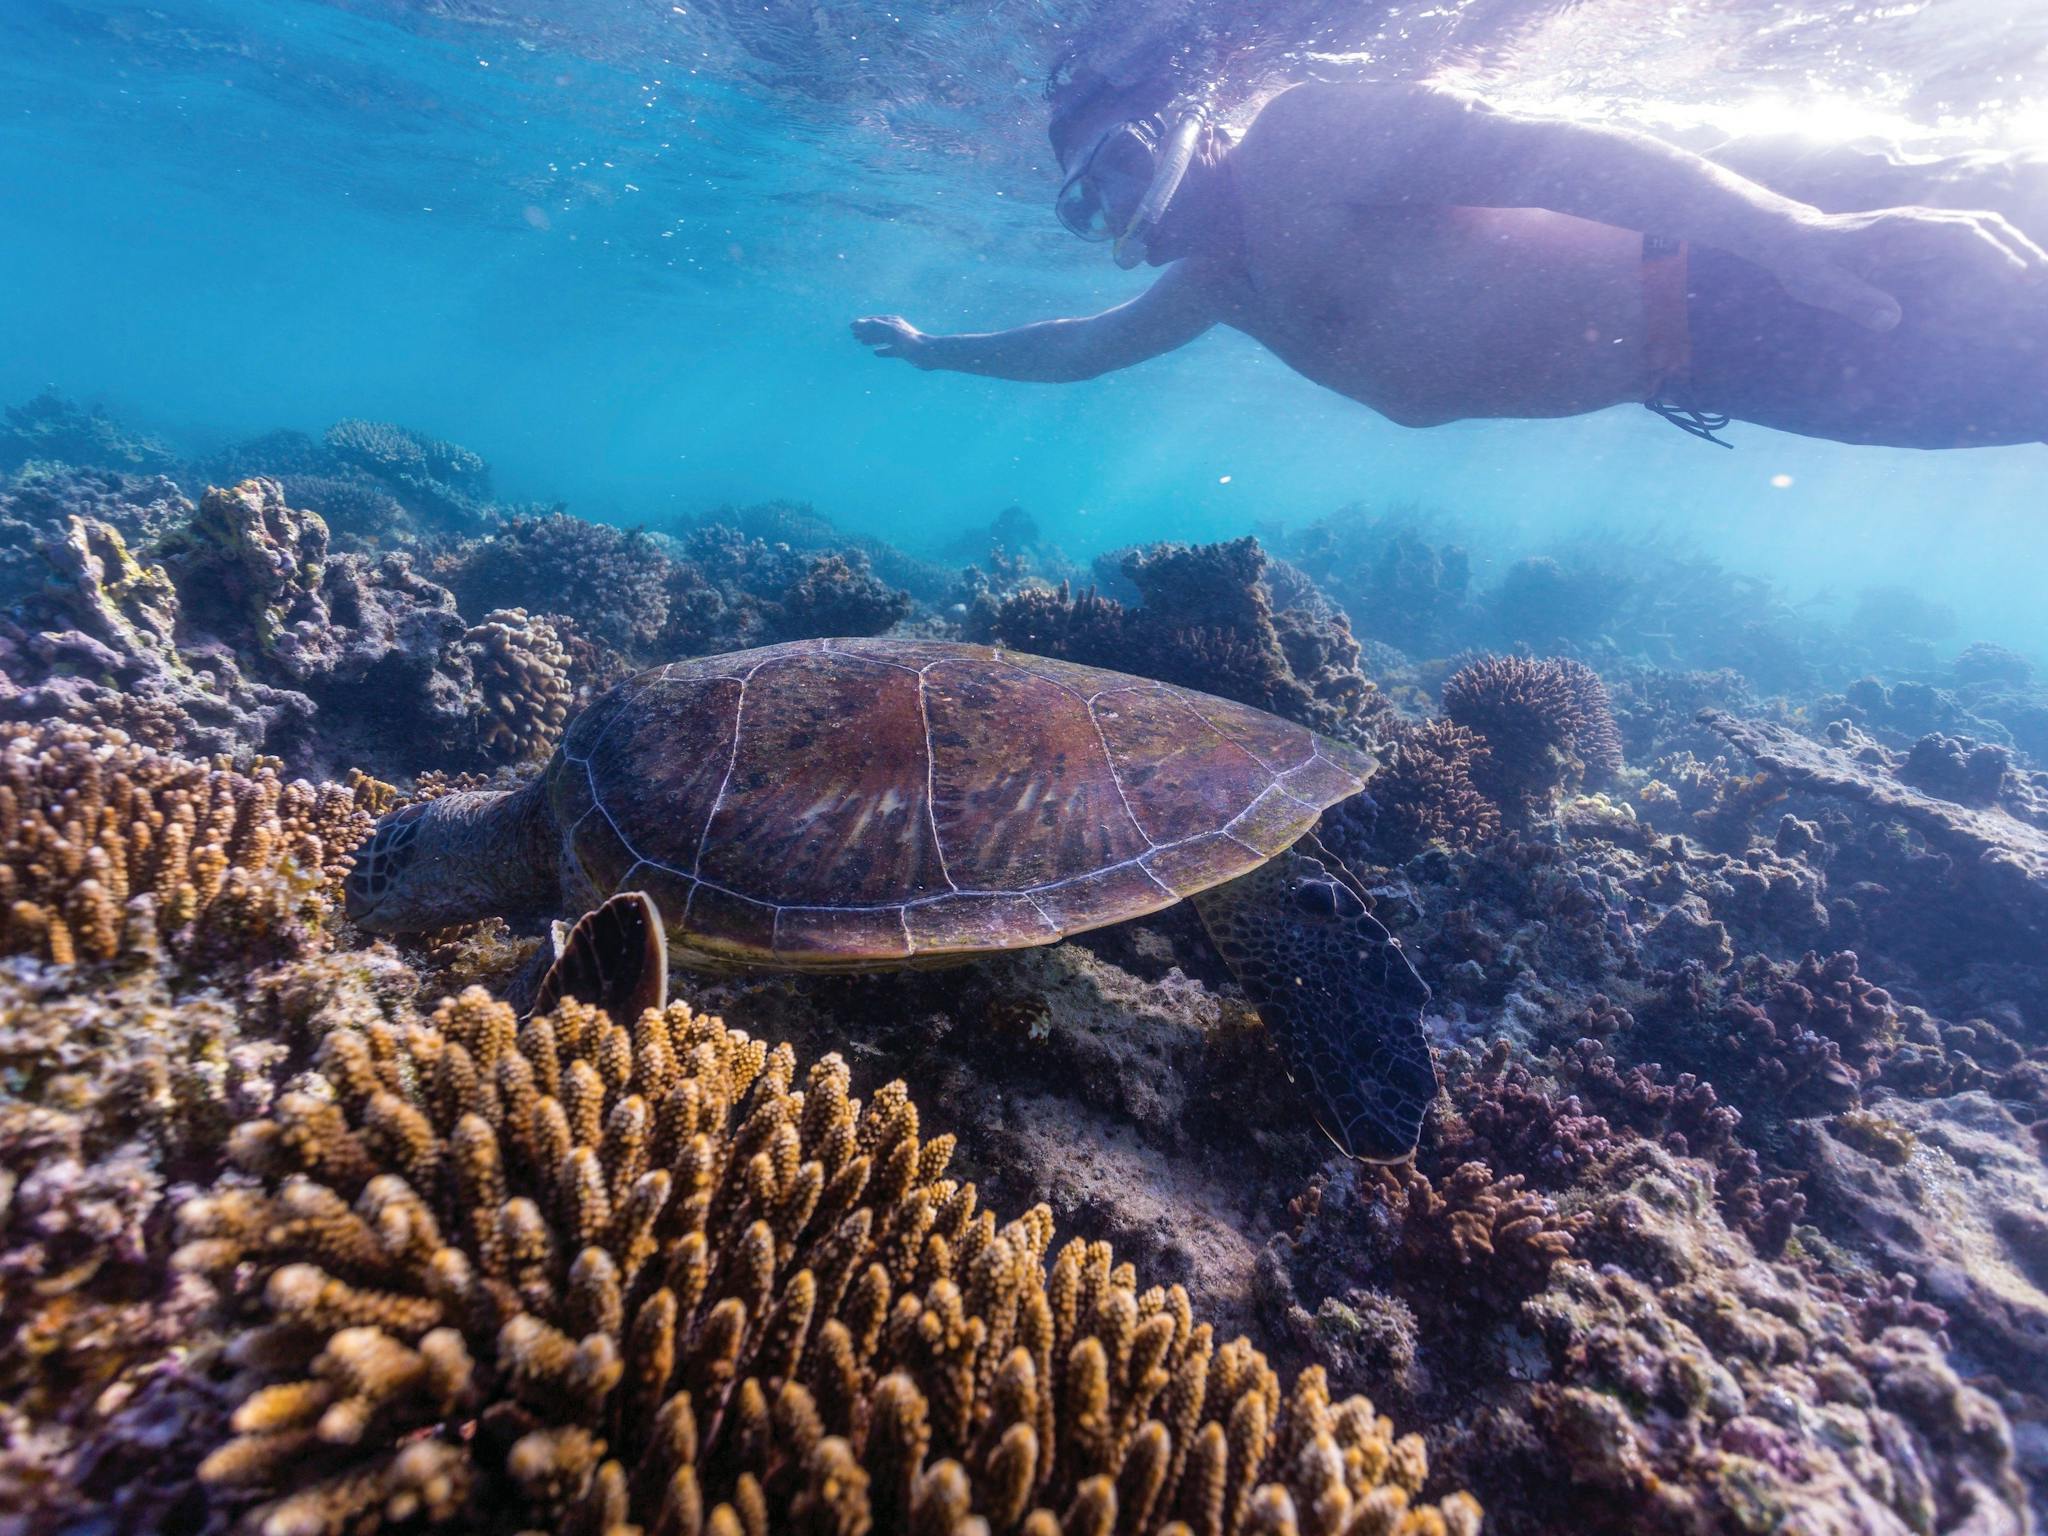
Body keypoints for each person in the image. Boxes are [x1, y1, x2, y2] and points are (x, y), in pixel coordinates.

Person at [852, 73, 2048, 449]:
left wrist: (1792, 230)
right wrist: (928, 356)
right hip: (1726, 372)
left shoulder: (1299, 139)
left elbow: (1550, 153)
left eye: (1110, 164)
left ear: (1176, 125)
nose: (1108, 210)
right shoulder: (1224, 284)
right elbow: (1077, 348)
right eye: (1079, 202)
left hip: (1759, 264)